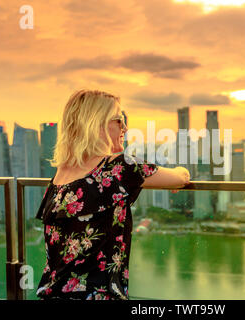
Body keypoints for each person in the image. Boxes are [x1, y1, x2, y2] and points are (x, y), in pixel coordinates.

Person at [35, 89, 190, 300]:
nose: (125, 127)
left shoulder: (62, 172)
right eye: (119, 119)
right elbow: (179, 178)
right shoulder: (117, 168)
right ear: (96, 123)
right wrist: (184, 171)